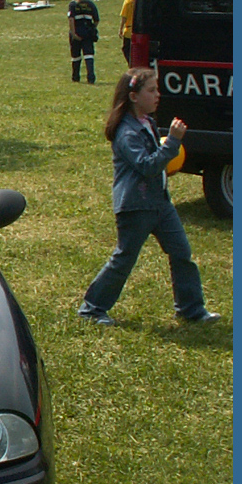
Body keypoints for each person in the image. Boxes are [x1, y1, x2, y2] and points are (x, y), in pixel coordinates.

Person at [78, 68, 220, 326]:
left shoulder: (148, 122)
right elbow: (147, 165)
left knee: (181, 252)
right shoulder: (126, 131)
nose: (158, 95)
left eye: (157, 90)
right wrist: (172, 143)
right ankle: (92, 308)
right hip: (136, 206)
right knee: (124, 258)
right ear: (133, 96)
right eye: (151, 90)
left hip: (160, 203)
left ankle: (191, 309)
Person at [68, 0, 99, 83]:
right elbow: (97, 19)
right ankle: (91, 77)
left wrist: (73, 33)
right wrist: (92, 28)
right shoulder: (90, 4)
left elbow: (71, 20)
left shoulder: (73, 5)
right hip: (88, 32)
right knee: (89, 54)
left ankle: (75, 77)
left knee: (76, 56)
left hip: (77, 31)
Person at [119, 0, 136, 65]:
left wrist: (120, 29)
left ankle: (131, 64)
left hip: (129, 30)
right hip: (140, 30)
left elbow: (124, 16)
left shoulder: (128, 0)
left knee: (127, 49)